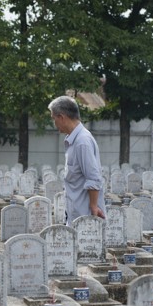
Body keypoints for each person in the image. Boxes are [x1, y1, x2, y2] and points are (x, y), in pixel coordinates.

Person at [48, 95, 106, 226]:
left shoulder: (82, 141)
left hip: (84, 216)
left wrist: (93, 206)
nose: (54, 123)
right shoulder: (75, 139)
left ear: (62, 117)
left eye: (54, 118)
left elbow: (93, 177)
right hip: (75, 213)